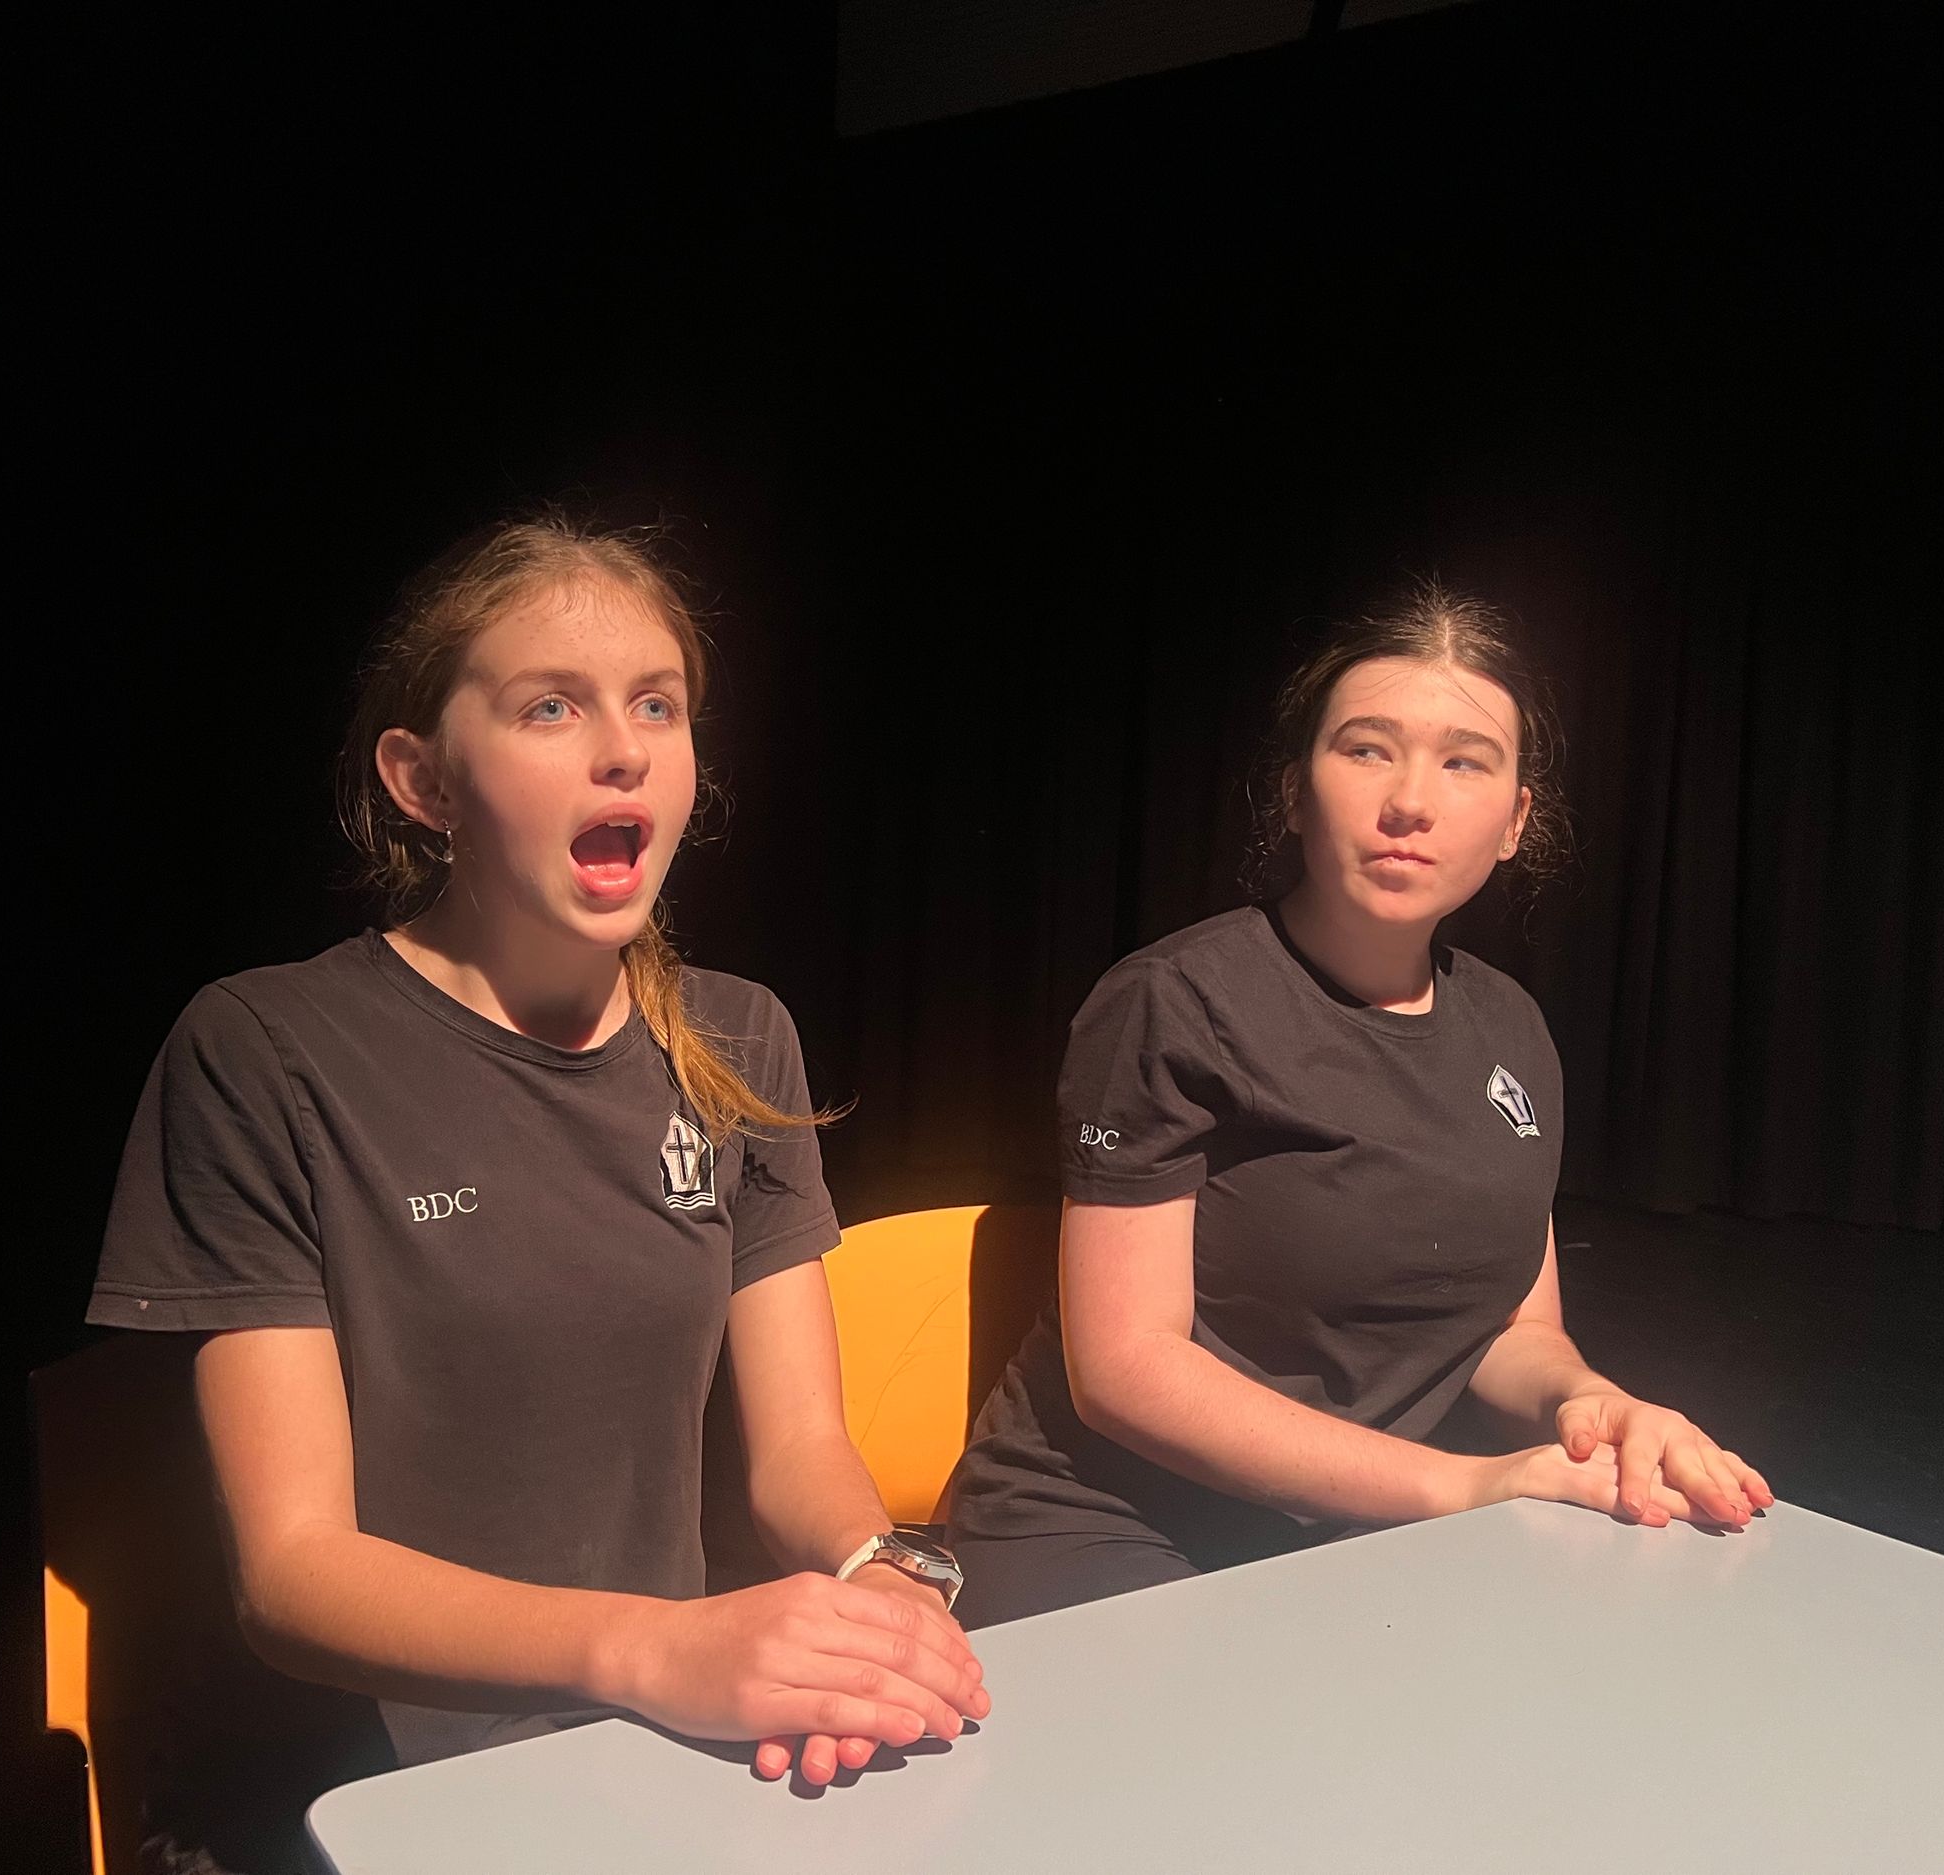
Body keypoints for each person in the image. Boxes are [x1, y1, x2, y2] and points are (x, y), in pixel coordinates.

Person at [89, 518, 987, 1863]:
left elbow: (802, 1448)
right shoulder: (264, 1050)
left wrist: (878, 1576)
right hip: (358, 1789)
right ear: (423, 779)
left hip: (645, 1742)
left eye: (657, 704)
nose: (624, 748)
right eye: (550, 705)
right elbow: (293, 1571)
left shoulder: (738, 1036)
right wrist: (659, 1649)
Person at [944, 585, 1773, 1627]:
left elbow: (1508, 1329)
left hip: (1361, 1529)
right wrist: (1467, 1486)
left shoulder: (1512, 1029)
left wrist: (1590, 1402)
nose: (1410, 801)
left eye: (1464, 762)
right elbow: (1125, 1370)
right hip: (1115, 1521)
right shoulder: (1175, 1002)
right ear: (1295, 792)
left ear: (1516, 821)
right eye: (1367, 749)